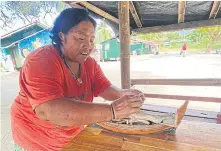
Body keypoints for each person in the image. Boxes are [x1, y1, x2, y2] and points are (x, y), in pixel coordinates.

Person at [11, 8, 145, 151]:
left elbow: (103, 87)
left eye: (92, 39)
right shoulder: (42, 60)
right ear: (62, 36)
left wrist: (123, 94)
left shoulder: (89, 64)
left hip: (70, 135)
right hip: (35, 140)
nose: (88, 45)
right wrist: (113, 111)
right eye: (81, 38)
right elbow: (49, 111)